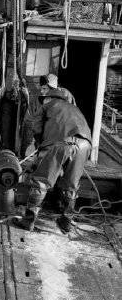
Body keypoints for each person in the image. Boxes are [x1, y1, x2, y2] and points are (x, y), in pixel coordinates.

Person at [13, 89, 92, 233]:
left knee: (41, 182)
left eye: (45, 98)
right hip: (85, 145)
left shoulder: (47, 106)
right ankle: (66, 221)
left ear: (50, 98)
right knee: (71, 185)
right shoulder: (74, 109)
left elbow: (36, 129)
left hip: (60, 143)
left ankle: (28, 221)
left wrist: (40, 149)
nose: (43, 100)